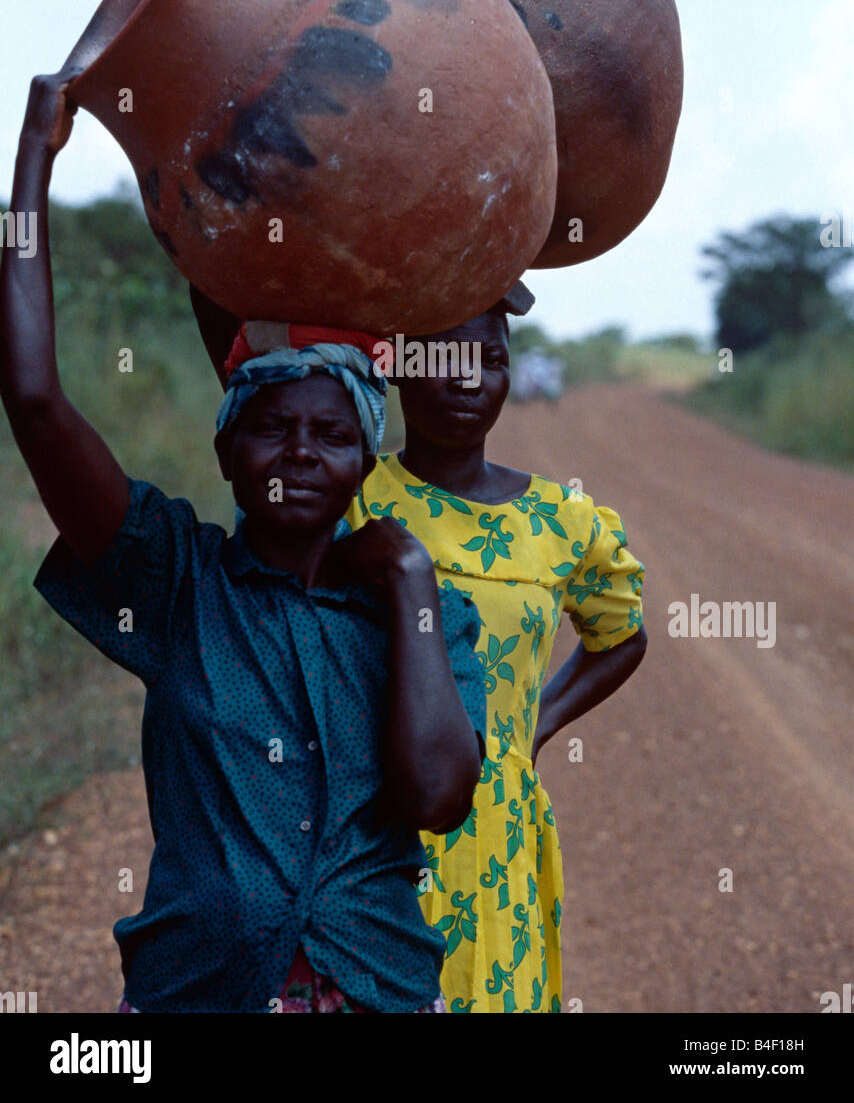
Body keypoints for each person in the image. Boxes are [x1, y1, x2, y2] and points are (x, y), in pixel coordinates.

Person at [0, 74, 486, 1014]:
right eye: (272, 426)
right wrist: (32, 160)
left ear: (363, 460)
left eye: (333, 433)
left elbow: (437, 797)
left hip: (375, 990)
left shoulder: (426, 617)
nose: (300, 451)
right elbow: (32, 398)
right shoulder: (175, 578)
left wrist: (411, 578)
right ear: (226, 448)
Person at [191, 285, 648, 1015]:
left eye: (492, 361)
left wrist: (535, 722)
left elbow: (621, 635)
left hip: (497, 828)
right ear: (395, 368)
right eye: (445, 357)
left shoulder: (565, 522)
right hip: (368, 822)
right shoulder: (351, 486)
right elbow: (258, 392)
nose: (469, 379)